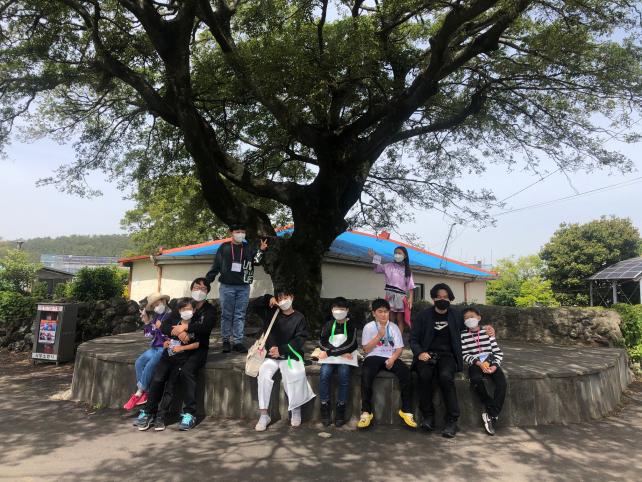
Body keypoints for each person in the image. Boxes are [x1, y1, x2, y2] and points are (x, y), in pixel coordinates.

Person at [411, 283, 496, 438]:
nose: (442, 299)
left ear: (450, 299)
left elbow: (471, 327)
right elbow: (414, 339)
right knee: (424, 375)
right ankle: (428, 416)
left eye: (445, 297)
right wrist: (420, 353)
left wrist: (486, 329)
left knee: (445, 377)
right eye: (439, 297)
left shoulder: (456, 315)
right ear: (433, 298)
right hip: (427, 354)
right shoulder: (423, 316)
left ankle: (452, 420)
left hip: (448, 355)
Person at [252, 289, 315, 431]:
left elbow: (300, 339)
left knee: (294, 375)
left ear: (292, 297)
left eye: (285, 297)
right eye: (280, 298)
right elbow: (254, 306)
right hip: (271, 356)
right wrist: (267, 298)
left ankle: (295, 409)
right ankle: (264, 415)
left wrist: (282, 350)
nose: (283, 301)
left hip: (290, 355)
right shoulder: (271, 313)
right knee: (263, 375)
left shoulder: (299, 317)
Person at [134, 298, 201, 431]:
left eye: (188, 309)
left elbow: (197, 343)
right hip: (166, 357)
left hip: (181, 360)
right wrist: (166, 342)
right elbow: (164, 333)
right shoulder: (174, 322)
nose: (185, 311)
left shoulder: (196, 326)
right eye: (183, 309)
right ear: (179, 311)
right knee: (157, 380)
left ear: (194, 310)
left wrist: (182, 347)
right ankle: (148, 412)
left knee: (170, 387)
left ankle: (161, 416)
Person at [205, 223, 268, 353]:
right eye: (237, 231)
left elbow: (256, 261)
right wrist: (207, 281)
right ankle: (226, 340)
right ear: (231, 232)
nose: (240, 234)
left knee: (240, 315)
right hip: (227, 286)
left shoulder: (248, 247)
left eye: (242, 231)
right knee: (226, 315)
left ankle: (238, 341)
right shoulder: (224, 247)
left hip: (243, 286)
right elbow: (216, 265)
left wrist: (261, 250)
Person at [163, 277, 217, 430]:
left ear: (207, 292)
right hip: (177, 348)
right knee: (162, 368)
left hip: (198, 349)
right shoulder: (182, 305)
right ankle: (154, 410)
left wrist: (185, 328)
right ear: (191, 289)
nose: (199, 291)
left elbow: (206, 328)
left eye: (203, 288)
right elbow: (165, 325)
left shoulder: (210, 310)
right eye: (196, 287)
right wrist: (179, 333)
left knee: (187, 371)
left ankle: (190, 413)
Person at [357, 298, 417, 430]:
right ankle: (366, 412)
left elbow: (399, 348)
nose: (383, 314)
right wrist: (379, 335)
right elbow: (366, 350)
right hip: (373, 357)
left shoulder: (394, 327)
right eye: (380, 311)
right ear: (374, 313)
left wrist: (393, 359)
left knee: (406, 374)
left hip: (390, 357)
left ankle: (406, 411)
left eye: (386, 311)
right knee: (366, 374)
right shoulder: (369, 327)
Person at [461, 307, 506, 435]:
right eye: (466, 318)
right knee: (476, 380)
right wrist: (478, 363)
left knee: (502, 383)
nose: (469, 319)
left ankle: (491, 414)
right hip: (475, 363)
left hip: (491, 361)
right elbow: (465, 354)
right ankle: (492, 408)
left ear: (479, 318)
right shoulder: (463, 335)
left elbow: (497, 352)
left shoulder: (487, 332)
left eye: (472, 316)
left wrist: (495, 365)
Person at [123, 293, 171, 410]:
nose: (156, 307)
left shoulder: (171, 315)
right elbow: (149, 334)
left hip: (164, 348)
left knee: (150, 365)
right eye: (153, 306)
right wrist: (146, 322)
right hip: (155, 347)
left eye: (157, 304)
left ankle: (139, 393)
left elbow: (171, 333)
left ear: (164, 301)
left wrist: (161, 328)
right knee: (139, 362)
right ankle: (146, 392)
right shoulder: (157, 316)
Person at [317, 297, 358, 427]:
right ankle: (324, 405)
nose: (338, 311)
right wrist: (337, 352)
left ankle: (341, 406)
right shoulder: (328, 324)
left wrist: (330, 352)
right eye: (336, 309)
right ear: (332, 310)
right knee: (324, 373)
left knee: (344, 373)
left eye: (341, 309)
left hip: (345, 358)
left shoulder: (351, 325)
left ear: (347, 310)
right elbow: (322, 342)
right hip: (332, 357)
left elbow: (351, 344)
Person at [368, 246, 415, 335]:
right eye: (395, 253)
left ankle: (399, 338)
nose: (397, 255)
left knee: (400, 318)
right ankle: (390, 336)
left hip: (401, 296)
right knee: (390, 317)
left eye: (399, 253)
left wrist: (411, 298)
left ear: (405, 256)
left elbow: (411, 285)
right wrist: (374, 257)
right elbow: (378, 268)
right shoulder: (388, 266)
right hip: (390, 294)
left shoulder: (407, 270)